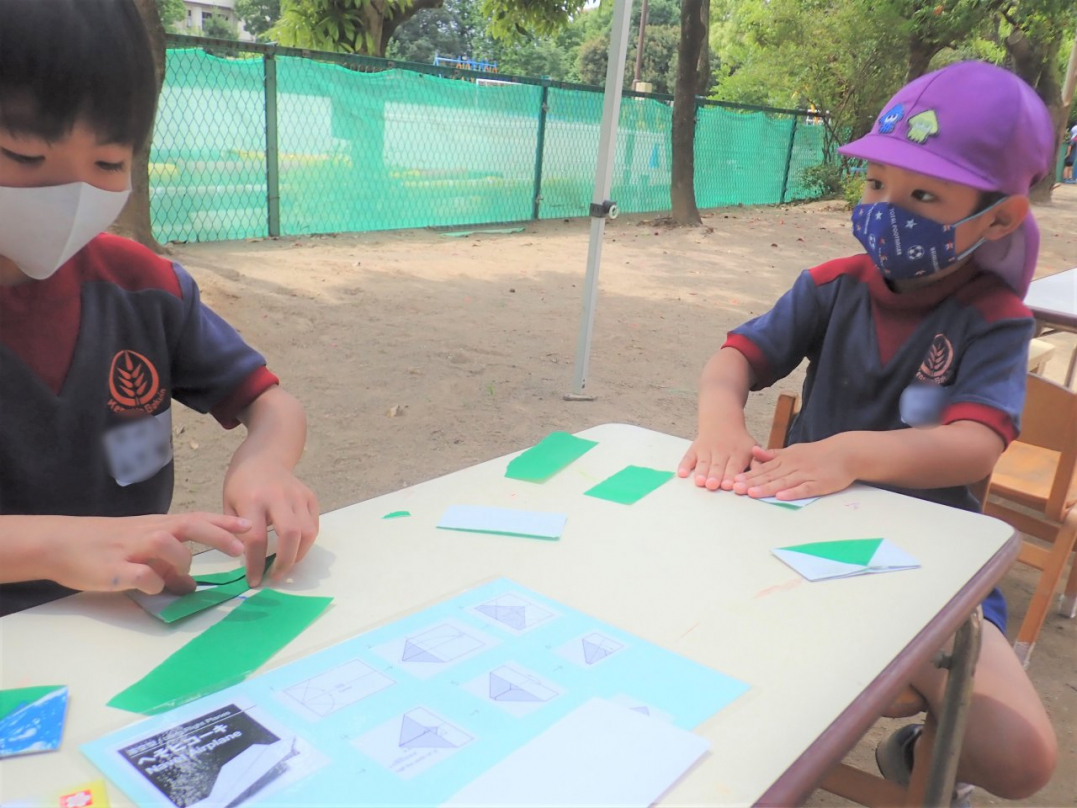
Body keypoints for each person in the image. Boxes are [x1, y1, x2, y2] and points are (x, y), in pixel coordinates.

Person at [678, 61, 1057, 801]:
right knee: (772, 681)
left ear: (1000, 218)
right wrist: (719, 421)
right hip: (793, 543)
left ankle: (921, 752)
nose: (887, 208)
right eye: (876, 185)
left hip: (927, 567)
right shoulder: (830, 286)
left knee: (1018, 759)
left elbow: (976, 444)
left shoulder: (995, 321)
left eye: (922, 195)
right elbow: (734, 359)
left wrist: (851, 454)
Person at [0, 0, 319, 615]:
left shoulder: (144, 287)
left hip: (125, 618)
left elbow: (271, 403)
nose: (71, 195)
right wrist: (58, 543)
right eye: (25, 157)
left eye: (108, 164)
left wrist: (266, 465)